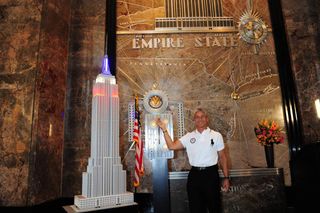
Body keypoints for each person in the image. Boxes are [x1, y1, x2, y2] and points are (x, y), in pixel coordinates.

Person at [156, 108, 230, 213]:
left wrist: (226, 177)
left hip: (211, 175)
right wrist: (164, 129)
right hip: (194, 175)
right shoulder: (189, 136)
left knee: (214, 207)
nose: (200, 119)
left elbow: (222, 157)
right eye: (197, 117)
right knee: (195, 208)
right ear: (194, 120)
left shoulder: (216, 135)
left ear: (207, 119)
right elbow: (171, 146)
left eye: (202, 117)